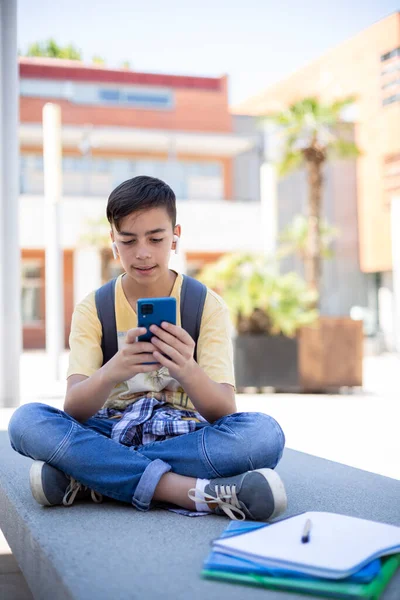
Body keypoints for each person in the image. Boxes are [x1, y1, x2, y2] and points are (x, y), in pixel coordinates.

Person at [8, 175, 287, 521]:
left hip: (183, 433)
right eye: (128, 240)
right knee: (24, 422)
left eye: (156, 238)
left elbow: (224, 411)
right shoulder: (94, 308)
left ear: (175, 237)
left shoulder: (205, 306)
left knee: (264, 435)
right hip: (112, 429)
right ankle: (193, 493)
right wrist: (114, 370)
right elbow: (74, 409)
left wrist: (187, 369)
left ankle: (91, 477)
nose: (142, 252)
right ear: (113, 241)